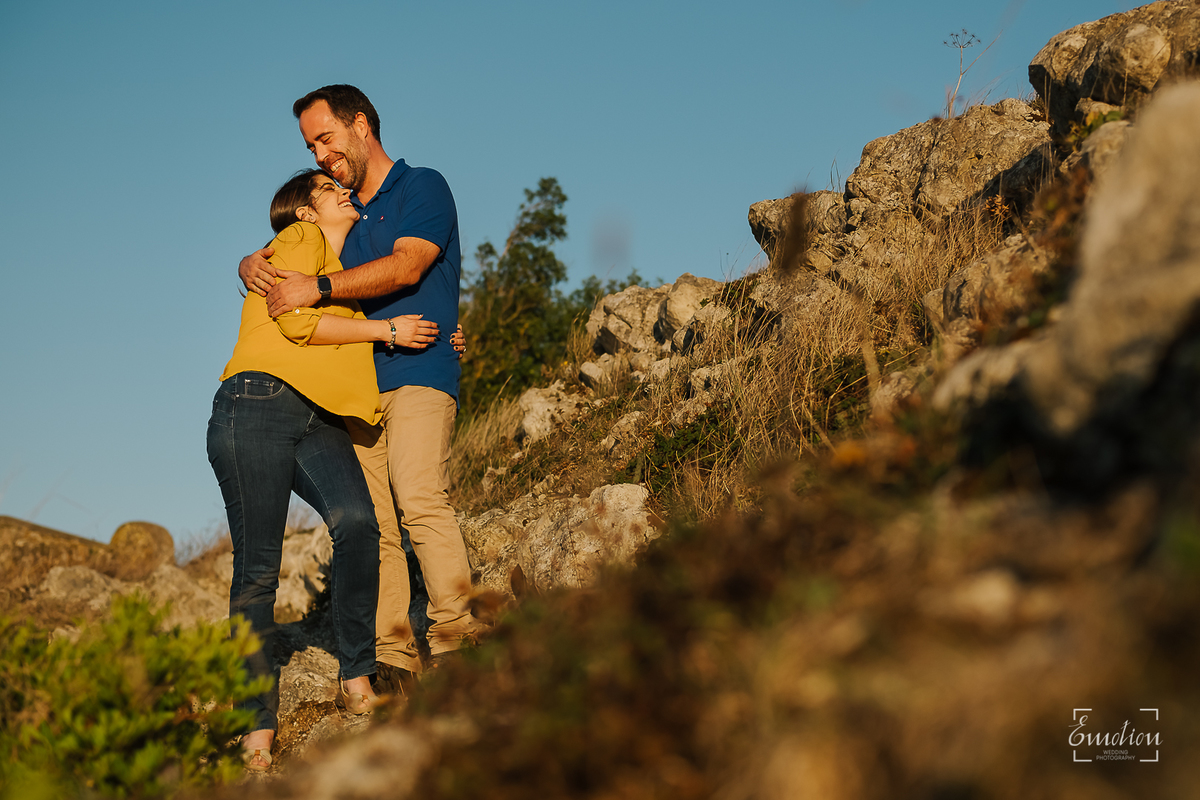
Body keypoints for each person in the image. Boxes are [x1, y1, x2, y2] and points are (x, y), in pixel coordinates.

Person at [240, 85, 480, 691]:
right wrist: (247, 264)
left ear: (361, 125)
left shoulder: (422, 186)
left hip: (419, 368)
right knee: (374, 524)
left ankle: (458, 639)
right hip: (355, 393)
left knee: (419, 495)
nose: (320, 154)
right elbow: (283, 258)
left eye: (326, 138)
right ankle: (392, 656)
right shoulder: (337, 214)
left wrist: (319, 290)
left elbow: (407, 266)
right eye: (310, 146)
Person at [210, 169, 439, 771]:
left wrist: (443, 338)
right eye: (325, 187)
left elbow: (383, 314)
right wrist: (387, 329)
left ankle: (355, 674)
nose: (342, 190)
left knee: (359, 523)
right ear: (305, 211)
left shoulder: (341, 275)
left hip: (321, 419)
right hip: (256, 403)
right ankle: (256, 726)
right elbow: (295, 320)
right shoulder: (297, 244)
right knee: (258, 571)